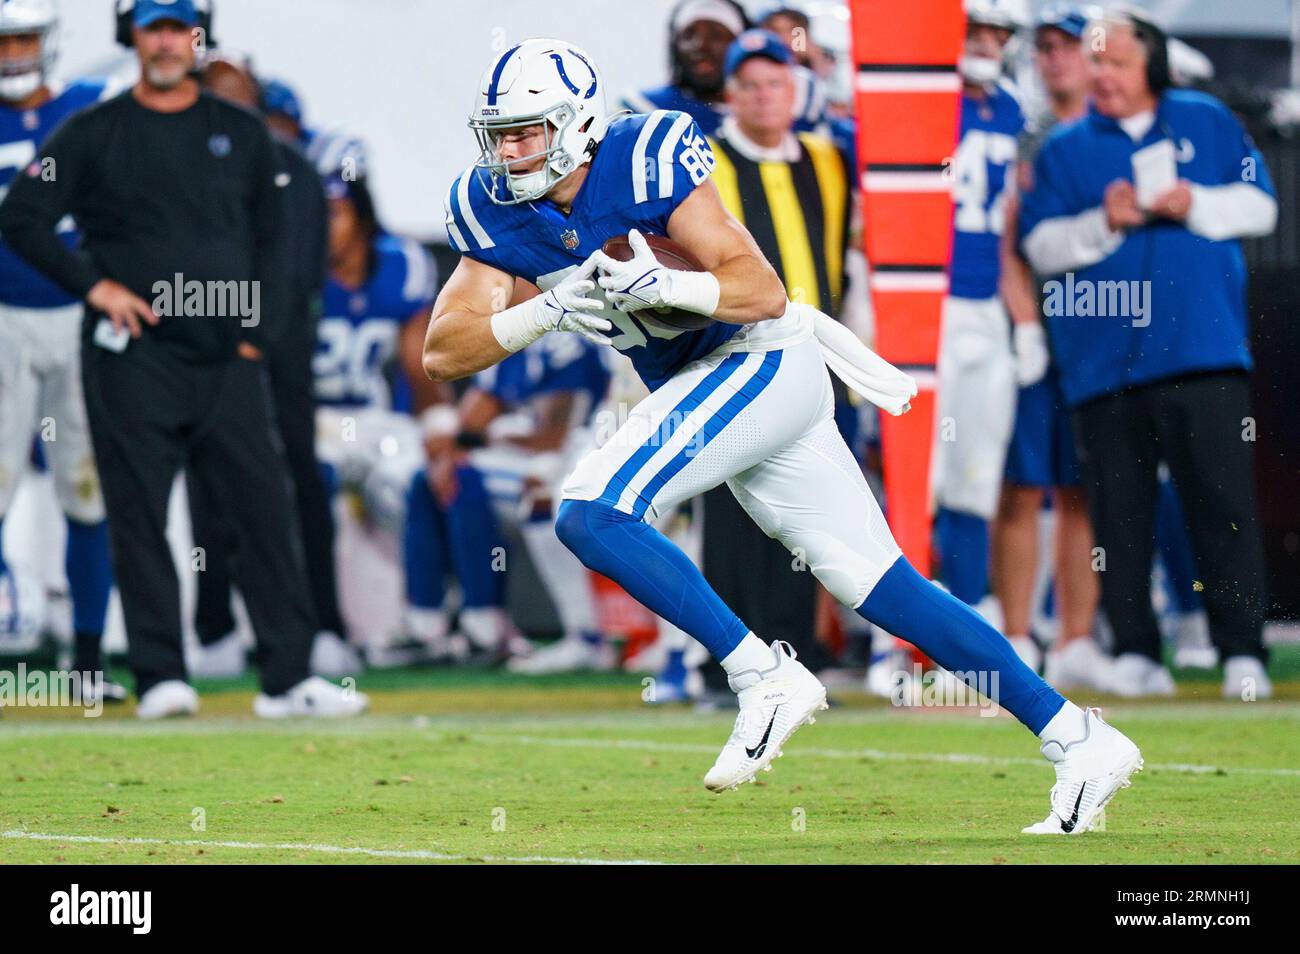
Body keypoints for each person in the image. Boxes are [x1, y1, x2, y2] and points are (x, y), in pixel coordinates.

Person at [428, 37, 1141, 833]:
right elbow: (445, 348)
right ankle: (1078, 737)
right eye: (501, 132)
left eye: (527, 131)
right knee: (883, 586)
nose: (509, 149)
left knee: (592, 511)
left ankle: (760, 673)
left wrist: (669, 284)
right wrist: (545, 310)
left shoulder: (643, 156)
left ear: (577, 124)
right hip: (720, 385)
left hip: (760, 358)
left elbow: (760, 290)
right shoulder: (495, 205)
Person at [0, 0, 365, 719]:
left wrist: (257, 331)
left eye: (178, 27)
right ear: (130, 36)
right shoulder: (92, 133)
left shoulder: (241, 133)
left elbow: (278, 238)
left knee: (263, 511)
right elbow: (21, 216)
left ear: (198, 35)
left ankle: (287, 679)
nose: (166, 41)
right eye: (152, 27)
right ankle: (161, 673)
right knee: (136, 515)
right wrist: (94, 286)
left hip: (227, 354)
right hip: (132, 355)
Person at [1019, 8, 1277, 700]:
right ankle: (1135, 649)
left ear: (1151, 66)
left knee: (1223, 506)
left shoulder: (1209, 120)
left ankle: (1242, 650)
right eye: (1094, 63)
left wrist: (1195, 202)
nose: (1100, 74)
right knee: (1118, 517)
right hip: (1103, 366)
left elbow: (1262, 208)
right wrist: (1106, 220)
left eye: (1115, 62)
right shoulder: (1065, 149)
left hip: (1204, 350)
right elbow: (1040, 248)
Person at [183, 53, 356, 679]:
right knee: (209, 487)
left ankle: (322, 626)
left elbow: (302, 272)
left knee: (299, 483)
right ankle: (214, 627)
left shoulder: (292, 174)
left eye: (240, 98)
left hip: (278, 352)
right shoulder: (181, 172)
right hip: (202, 350)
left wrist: (255, 335)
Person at [696, 29, 855, 683]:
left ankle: (796, 662)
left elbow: (848, 254)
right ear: (731, 95)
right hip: (732, 358)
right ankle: (729, 667)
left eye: (777, 83)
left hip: (814, 357)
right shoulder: (703, 162)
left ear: (796, 91)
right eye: (751, 85)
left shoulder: (828, 158)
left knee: (807, 516)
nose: (765, 97)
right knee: (731, 519)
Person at [0, 0, 121, 700]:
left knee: (86, 490)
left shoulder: (89, 108)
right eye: (5, 40)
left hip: (81, 312)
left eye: (24, 39)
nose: (14, 54)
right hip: (6, 317)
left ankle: (86, 662)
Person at [993, 3, 1106, 689]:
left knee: (1084, 490)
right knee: (1022, 483)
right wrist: (1027, 322)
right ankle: (1014, 634)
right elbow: (1004, 245)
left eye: (1068, 47)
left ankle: (1075, 640)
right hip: (1036, 329)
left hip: (1100, 333)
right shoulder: (1024, 139)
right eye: (1047, 49)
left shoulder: (1116, 133)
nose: (1055, 60)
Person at [400, 331, 612, 672]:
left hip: (582, 454)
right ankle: (426, 624)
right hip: (531, 459)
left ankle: (496, 626)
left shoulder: (565, 341)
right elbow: (470, 421)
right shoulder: (508, 333)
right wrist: (450, 452)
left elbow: (553, 439)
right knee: (426, 479)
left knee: (524, 493)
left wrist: (487, 437)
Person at [931, 0, 1027, 620]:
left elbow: (1010, 218)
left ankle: (968, 608)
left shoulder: (1010, 106)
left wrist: (1024, 319)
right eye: (976, 27)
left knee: (975, 472)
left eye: (999, 30)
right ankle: (897, 634)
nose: (988, 40)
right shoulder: (917, 100)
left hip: (985, 304)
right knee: (920, 475)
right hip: (923, 306)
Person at [620, 0, 747, 136]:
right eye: (689, 35)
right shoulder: (642, 111)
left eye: (716, 35)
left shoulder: (763, 113)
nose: (701, 46)